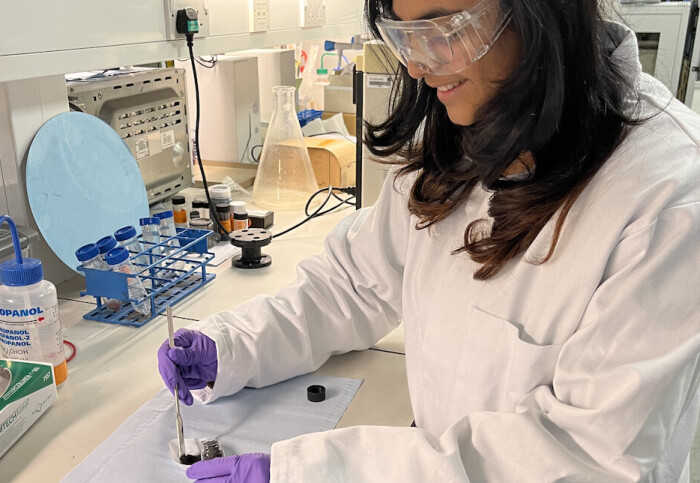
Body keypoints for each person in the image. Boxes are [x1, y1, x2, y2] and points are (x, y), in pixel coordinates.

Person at [158, 0, 700, 481]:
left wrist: (319, 473)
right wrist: (233, 346)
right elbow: (353, 285)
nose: (416, 65)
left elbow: (586, 456)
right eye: (404, 34)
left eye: (444, 27)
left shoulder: (668, 196)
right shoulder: (461, 126)